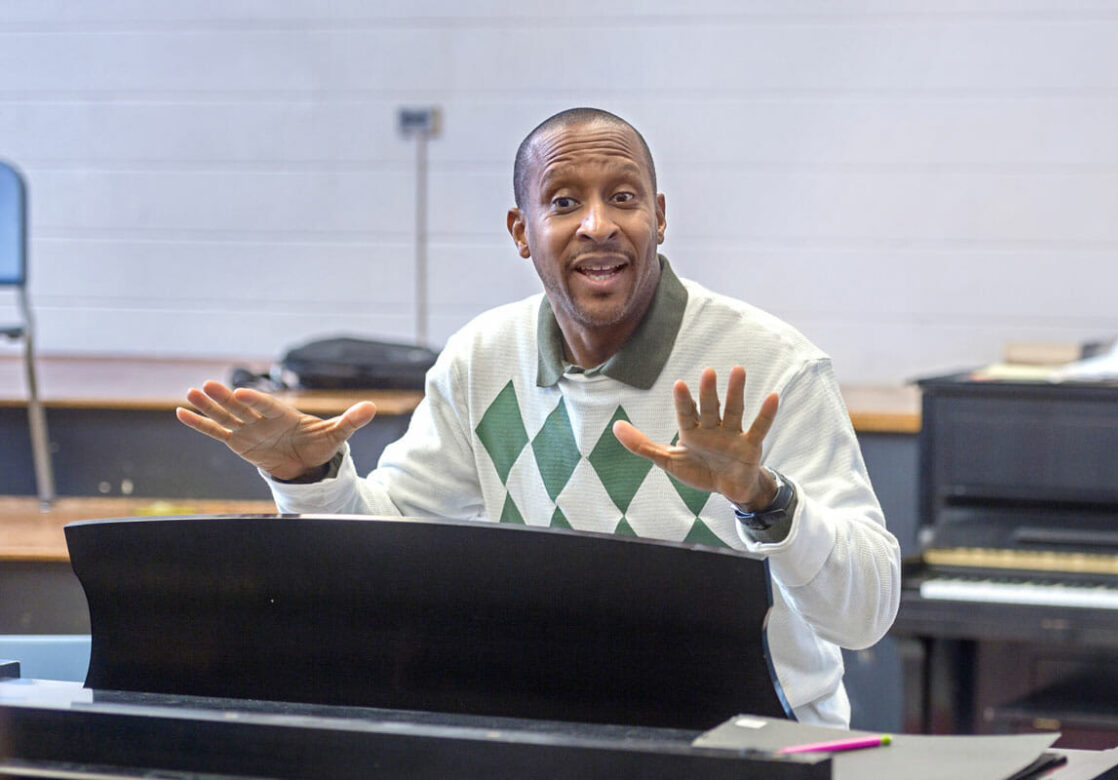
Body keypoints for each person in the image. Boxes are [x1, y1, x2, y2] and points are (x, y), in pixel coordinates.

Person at [177, 107, 900, 728]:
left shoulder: (773, 366)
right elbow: (384, 544)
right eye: (563, 202)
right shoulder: (481, 359)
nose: (598, 225)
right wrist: (306, 473)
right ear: (521, 231)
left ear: (661, 218)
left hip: (756, 741)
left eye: (623, 197)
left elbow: (865, 613)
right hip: (553, 732)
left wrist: (764, 499)